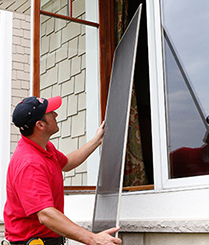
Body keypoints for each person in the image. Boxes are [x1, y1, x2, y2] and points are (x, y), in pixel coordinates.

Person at [3, 96, 122, 245]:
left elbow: (68, 163)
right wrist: (93, 238)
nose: (56, 114)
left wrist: (97, 139)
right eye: (50, 112)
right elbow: (46, 214)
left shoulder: (44, 148)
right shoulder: (30, 163)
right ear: (40, 125)